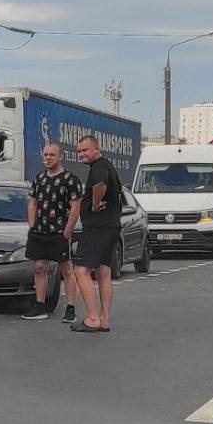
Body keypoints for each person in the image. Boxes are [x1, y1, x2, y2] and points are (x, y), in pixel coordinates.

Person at [22, 143, 82, 322]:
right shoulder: (38, 178)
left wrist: (67, 232)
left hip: (59, 232)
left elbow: (75, 206)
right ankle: (40, 306)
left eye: (52, 155)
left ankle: (70, 308)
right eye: (45, 155)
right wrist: (32, 226)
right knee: (39, 268)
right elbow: (32, 202)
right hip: (39, 232)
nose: (48, 158)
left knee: (66, 270)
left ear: (60, 156)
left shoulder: (70, 179)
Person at [70, 135, 123, 334]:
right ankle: (104, 319)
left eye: (85, 150)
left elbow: (100, 183)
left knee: (81, 269)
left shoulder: (99, 166)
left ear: (96, 149)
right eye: (79, 151)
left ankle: (92, 318)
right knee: (103, 272)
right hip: (111, 226)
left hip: (98, 227)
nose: (81, 154)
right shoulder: (107, 165)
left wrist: (93, 203)